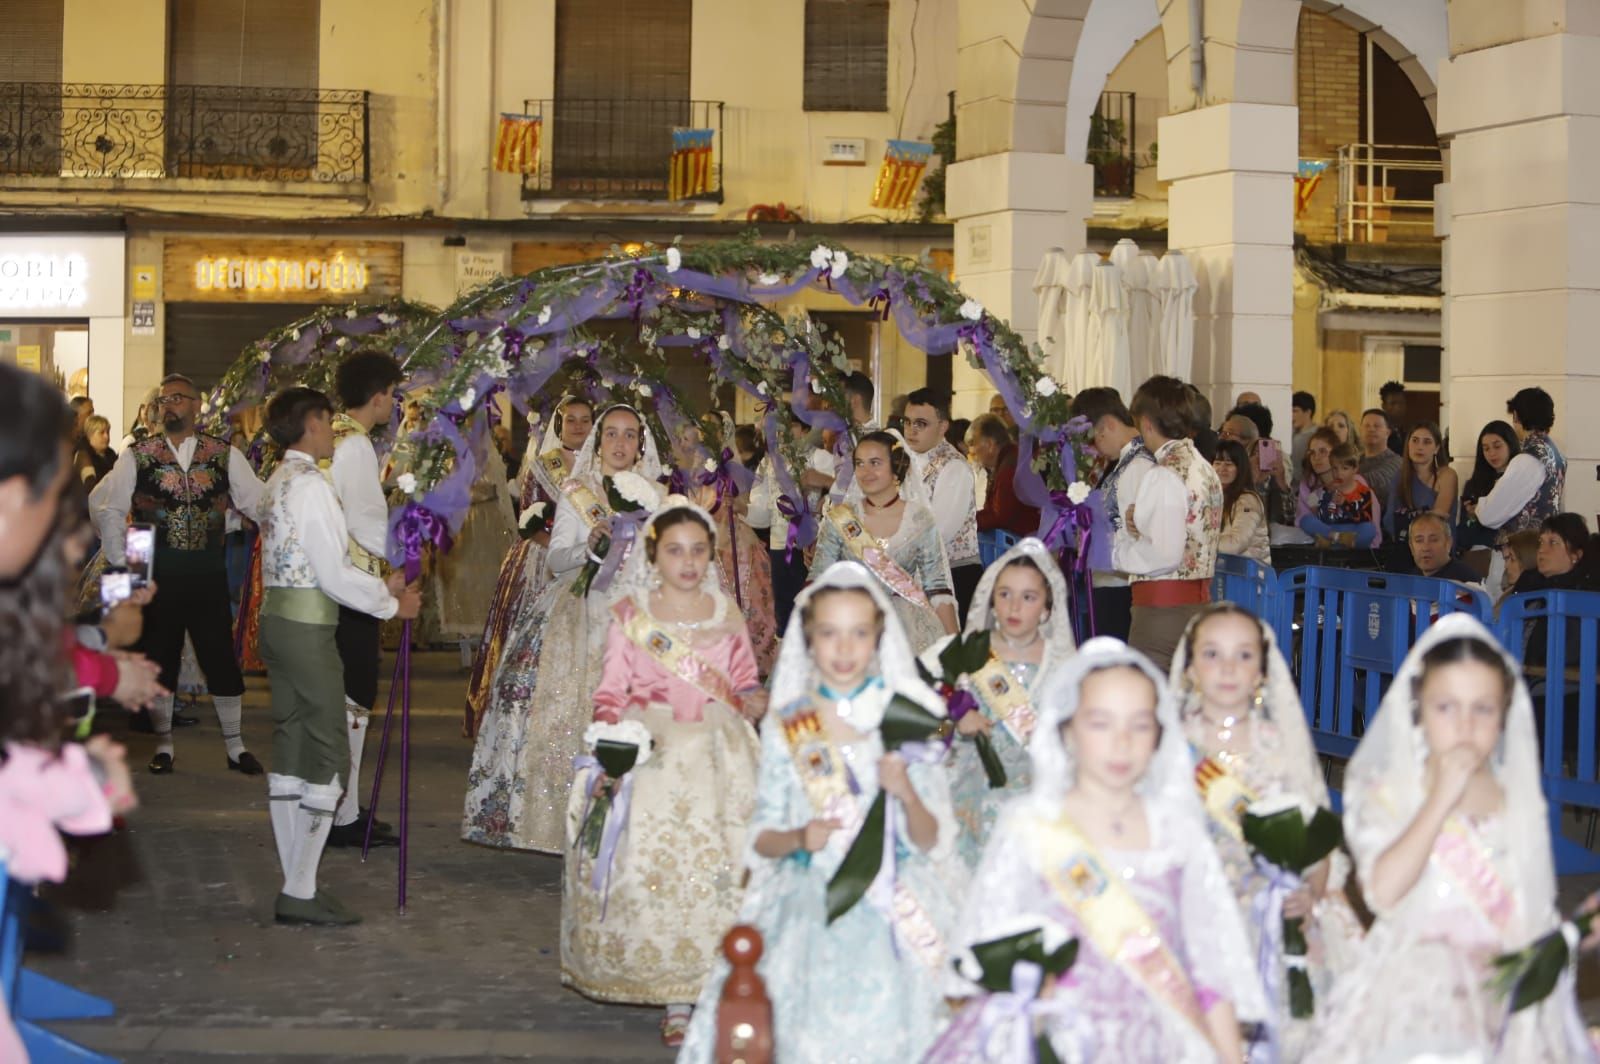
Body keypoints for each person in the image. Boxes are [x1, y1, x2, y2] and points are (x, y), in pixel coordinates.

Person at [928, 638, 1267, 1063]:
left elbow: (1211, 967)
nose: (1122, 742)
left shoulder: (1179, 835)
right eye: (1100, 723)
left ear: (1160, 736)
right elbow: (982, 962)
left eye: (1140, 725)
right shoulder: (1031, 829)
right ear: (1068, 730)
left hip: (1161, 1040)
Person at [678, 563, 959, 1062]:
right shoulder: (792, 724)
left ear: (879, 638)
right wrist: (798, 838)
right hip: (808, 902)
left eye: (858, 633)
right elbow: (762, 837)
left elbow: (931, 838)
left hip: (896, 901)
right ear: (808, 640)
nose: (845, 648)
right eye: (829, 633)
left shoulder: (904, 718)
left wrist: (907, 793)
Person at [1305, 616, 1595, 1062]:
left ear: (1504, 715)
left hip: (1490, 996)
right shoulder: (1393, 790)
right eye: (1446, 707)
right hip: (1414, 995)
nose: (1465, 724)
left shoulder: (1510, 796)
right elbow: (1381, 892)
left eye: (1483, 708)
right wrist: (1440, 799)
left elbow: (1521, 906)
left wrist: (1573, 933)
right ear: (1419, 709)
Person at [560, 500, 765, 1046]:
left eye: (699, 550)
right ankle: (676, 998)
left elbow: (744, 680)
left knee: (722, 874)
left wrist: (754, 700)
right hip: (652, 753)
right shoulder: (632, 614)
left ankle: (714, 984)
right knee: (662, 876)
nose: (689, 561)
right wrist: (611, 750)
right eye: (676, 550)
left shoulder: (726, 613)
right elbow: (611, 692)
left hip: (720, 758)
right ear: (655, 554)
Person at [461, 403, 664, 853]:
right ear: (599, 439)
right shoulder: (577, 490)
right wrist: (587, 550)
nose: (620, 443)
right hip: (580, 608)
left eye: (630, 435)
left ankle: (628, 824)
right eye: (611, 433)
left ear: (641, 444)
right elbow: (554, 559)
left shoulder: (658, 495)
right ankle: (562, 824)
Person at [256, 387, 419, 926]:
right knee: (327, 753)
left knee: (293, 747)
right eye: (327, 423)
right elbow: (330, 571)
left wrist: (380, 586)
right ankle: (299, 889)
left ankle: (294, 880)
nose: (333, 431)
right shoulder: (311, 488)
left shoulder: (280, 480)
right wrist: (391, 601)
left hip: (278, 622)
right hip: (306, 628)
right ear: (310, 425)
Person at [1173, 604, 1363, 1059]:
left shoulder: (1279, 746)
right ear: (1190, 667)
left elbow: (1313, 838)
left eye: (1243, 656)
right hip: (1192, 914)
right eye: (1213, 654)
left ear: (1262, 669)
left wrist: (1311, 890)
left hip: (1270, 911)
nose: (1228, 669)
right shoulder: (1170, 745)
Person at [89, 373, 267, 775]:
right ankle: (164, 744)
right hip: (157, 577)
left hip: (207, 574)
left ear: (196, 404)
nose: (167, 405)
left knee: (220, 657)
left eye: (177, 398)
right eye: (163, 399)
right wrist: (124, 566)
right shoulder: (138, 454)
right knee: (160, 657)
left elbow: (257, 502)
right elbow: (112, 510)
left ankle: (236, 746)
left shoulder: (224, 454)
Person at [921, 538, 1075, 869]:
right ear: (992, 601)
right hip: (968, 796)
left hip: (1036, 801)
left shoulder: (1063, 667)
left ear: (1047, 607)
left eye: (1028, 597)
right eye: (1005, 594)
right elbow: (918, 720)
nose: (1014, 607)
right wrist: (953, 717)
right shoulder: (962, 651)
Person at [464, 397, 594, 738]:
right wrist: (558, 547)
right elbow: (527, 516)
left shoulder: (603, 466)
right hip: (543, 556)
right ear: (559, 426)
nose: (578, 426)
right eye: (571, 420)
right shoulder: (542, 465)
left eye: (585, 420)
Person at [322, 351, 406, 849]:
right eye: (392, 395)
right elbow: (363, 522)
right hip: (352, 585)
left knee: (348, 697)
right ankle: (342, 813)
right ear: (377, 397)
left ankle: (346, 803)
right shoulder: (354, 445)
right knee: (356, 697)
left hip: (333, 582)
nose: (393, 404)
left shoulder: (332, 434)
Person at [808, 431, 958, 652]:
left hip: (906, 630)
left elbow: (936, 586)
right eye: (860, 464)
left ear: (895, 466)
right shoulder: (841, 518)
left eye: (875, 463)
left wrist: (956, 647)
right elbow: (819, 577)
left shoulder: (919, 519)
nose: (866, 472)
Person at [1115, 375, 1223, 672]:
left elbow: (1163, 555)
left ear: (1147, 423)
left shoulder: (1163, 473)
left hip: (1161, 612)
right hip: (1197, 606)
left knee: (1151, 706)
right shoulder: (1204, 467)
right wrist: (1140, 521)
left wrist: (1114, 551)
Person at [1072, 386, 1152, 642]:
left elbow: (1135, 533)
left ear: (1107, 424)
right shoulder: (1123, 462)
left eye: (1095, 438)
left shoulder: (1138, 465)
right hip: (1111, 580)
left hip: (1122, 585)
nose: (1096, 447)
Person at [900, 387, 982, 620]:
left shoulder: (953, 467)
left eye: (921, 423)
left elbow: (939, 532)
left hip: (953, 575)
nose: (911, 430)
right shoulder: (909, 459)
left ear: (943, 427)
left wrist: (892, 551)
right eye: (907, 422)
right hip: (918, 573)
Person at [1468, 387, 1565, 540]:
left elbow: (1489, 515)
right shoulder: (1556, 454)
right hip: (1545, 543)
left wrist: (1479, 507)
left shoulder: (1526, 460)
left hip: (1522, 552)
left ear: (1516, 416)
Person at [1384, 421, 1459, 554]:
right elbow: (1391, 520)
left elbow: (1437, 519)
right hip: (1407, 548)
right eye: (1415, 441)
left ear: (1436, 448)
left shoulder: (1447, 475)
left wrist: (1408, 518)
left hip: (1438, 551)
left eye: (1427, 442)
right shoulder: (1400, 477)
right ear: (1408, 444)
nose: (1419, 447)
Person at [1298, 442, 1382, 549]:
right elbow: (1323, 517)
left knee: (1369, 529)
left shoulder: (1364, 491)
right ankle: (1337, 539)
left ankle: (1333, 543)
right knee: (1306, 520)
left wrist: (1345, 504)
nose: (1339, 473)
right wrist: (1325, 501)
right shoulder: (1327, 489)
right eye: (1335, 469)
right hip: (1331, 529)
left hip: (1352, 530)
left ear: (1355, 469)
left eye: (1345, 468)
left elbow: (1364, 517)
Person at [968, 413, 1039, 538]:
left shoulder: (1010, 466)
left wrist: (967, 523)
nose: (973, 450)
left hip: (1025, 543)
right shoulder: (1010, 458)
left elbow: (999, 516)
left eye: (975, 443)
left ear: (990, 444)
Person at [1221, 402, 1291, 525]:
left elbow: (1288, 518)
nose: (1221, 438)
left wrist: (1282, 483)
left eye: (1228, 434)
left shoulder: (1269, 467)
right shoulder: (1221, 467)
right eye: (1221, 432)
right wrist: (1248, 480)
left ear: (1248, 440)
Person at [1457, 420, 1519, 553]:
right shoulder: (1474, 485)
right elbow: (1463, 536)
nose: (1491, 453)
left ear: (1511, 445)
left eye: (1497, 446)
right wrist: (1473, 517)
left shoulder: (1520, 482)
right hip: (1480, 557)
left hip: (1515, 554)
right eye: (1486, 448)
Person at [1213, 439, 1271, 565]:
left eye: (1229, 464)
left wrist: (1199, 543)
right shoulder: (1213, 498)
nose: (1222, 468)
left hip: (1252, 577)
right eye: (1217, 463)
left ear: (1240, 469)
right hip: (1229, 573)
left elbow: (1235, 544)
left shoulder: (1247, 500)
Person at [1396, 512, 1482, 585]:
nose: (1426, 548)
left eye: (1433, 540)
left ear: (1448, 543)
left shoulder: (1466, 582)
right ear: (1411, 547)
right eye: (1419, 540)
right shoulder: (1408, 581)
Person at [1294, 427, 1342, 524]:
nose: (1316, 457)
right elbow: (1303, 520)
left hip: (1349, 533)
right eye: (1312, 453)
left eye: (1322, 451)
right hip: (1317, 535)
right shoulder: (1307, 485)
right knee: (1307, 522)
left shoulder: (1351, 480)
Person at [1357, 409, 1403, 502]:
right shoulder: (1355, 461)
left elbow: (1376, 483)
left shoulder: (1397, 462)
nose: (1371, 429)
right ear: (1360, 431)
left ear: (1388, 432)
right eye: (1367, 426)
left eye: (1376, 426)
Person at [72, 414, 117, 490]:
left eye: (108, 432)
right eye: (101, 433)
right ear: (90, 434)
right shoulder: (83, 455)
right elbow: (91, 487)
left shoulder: (111, 453)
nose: (107, 436)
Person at [1290, 390, 1317, 484]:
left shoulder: (1316, 436)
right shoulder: (1291, 434)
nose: (1291, 415)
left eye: (1295, 411)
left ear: (1308, 412)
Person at [1379, 380, 1407, 454]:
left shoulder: (1409, 434)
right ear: (1383, 406)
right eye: (1393, 403)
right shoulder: (1378, 433)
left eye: (1401, 403)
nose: (1398, 407)